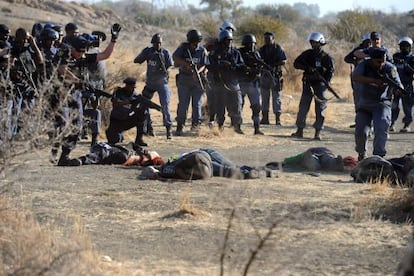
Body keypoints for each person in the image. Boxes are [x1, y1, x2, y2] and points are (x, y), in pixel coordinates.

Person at [53, 23, 122, 166]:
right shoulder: (64, 52)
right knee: (62, 124)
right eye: (79, 51)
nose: (81, 54)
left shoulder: (83, 56)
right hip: (60, 93)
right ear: (73, 48)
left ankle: (64, 157)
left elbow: (105, 55)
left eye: (84, 51)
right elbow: (61, 69)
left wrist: (113, 40)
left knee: (77, 125)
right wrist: (77, 80)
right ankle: (54, 150)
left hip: (75, 94)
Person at [352, 47, 405, 161]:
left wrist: (399, 89)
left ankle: (378, 157)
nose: (382, 64)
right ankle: (362, 155)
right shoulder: (364, 65)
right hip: (364, 104)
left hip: (382, 104)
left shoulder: (390, 68)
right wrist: (374, 81)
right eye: (378, 61)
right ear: (372, 59)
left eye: (383, 61)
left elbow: (398, 83)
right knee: (360, 131)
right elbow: (355, 77)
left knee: (381, 127)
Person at [291, 32, 335, 140]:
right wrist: (307, 68)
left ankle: (318, 132)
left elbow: (330, 71)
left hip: (320, 85)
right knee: (303, 107)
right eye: (312, 42)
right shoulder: (307, 54)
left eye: (315, 43)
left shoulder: (326, 57)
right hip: (308, 83)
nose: (313, 45)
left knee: (320, 109)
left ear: (321, 43)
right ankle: (299, 130)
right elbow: (296, 63)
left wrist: (326, 82)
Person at [134, 33, 174, 139]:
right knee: (144, 104)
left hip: (162, 83)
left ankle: (168, 128)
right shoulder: (148, 51)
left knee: (165, 105)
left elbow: (170, 66)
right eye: (156, 43)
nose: (157, 45)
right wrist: (147, 56)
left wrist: (164, 70)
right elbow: (136, 60)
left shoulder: (165, 53)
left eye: (159, 43)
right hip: (150, 83)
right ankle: (148, 127)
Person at [105, 77, 161, 150]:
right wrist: (129, 102)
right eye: (131, 87)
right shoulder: (118, 92)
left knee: (143, 112)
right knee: (114, 141)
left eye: (134, 87)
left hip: (127, 119)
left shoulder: (135, 95)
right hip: (116, 120)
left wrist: (157, 108)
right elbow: (115, 103)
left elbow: (147, 103)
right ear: (126, 86)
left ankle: (139, 139)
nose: (133, 89)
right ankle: (119, 135)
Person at [207, 29, 245, 134]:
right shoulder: (215, 53)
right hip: (220, 84)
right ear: (222, 41)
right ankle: (220, 126)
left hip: (233, 83)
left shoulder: (235, 53)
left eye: (230, 40)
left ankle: (237, 126)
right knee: (220, 106)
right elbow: (209, 66)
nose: (229, 42)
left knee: (237, 105)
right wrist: (220, 65)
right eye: (227, 40)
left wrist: (232, 65)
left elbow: (242, 66)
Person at [172, 29, 209, 136]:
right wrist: (186, 64)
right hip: (184, 80)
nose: (195, 45)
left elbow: (205, 64)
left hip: (197, 80)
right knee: (183, 104)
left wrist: (197, 71)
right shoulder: (183, 48)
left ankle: (195, 126)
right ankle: (180, 125)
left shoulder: (202, 50)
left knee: (197, 104)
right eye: (194, 42)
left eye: (197, 42)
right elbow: (175, 57)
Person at [258, 31, 287, 125]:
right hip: (265, 75)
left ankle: (277, 119)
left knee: (277, 98)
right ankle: (265, 118)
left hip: (275, 76)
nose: (266, 40)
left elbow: (283, 60)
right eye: (265, 39)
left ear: (273, 39)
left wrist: (274, 65)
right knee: (264, 97)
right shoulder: (262, 49)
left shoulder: (278, 48)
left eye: (268, 39)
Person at [237, 33, 264, 135]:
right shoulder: (239, 53)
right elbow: (238, 65)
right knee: (239, 105)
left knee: (256, 106)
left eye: (253, 44)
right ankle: (237, 126)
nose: (251, 46)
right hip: (241, 82)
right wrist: (246, 69)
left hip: (253, 83)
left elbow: (260, 66)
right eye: (249, 44)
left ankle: (257, 128)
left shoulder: (256, 54)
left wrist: (257, 71)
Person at [344, 33, 372, 128]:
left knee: (370, 99)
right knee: (358, 99)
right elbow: (347, 58)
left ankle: (370, 122)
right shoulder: (358, 50)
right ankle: (359, 120)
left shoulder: (374, 50)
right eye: (366, 42)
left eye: (369, 42)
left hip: (370, 78)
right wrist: (355, 60)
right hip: (358, 78)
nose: (368, 44)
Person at [390, 37, 414, 133]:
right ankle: (391, 123)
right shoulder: (396, 56)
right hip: (395, 85)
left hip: (407, 85)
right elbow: (390, 67)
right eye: (402, 46)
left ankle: (407, 125)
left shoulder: (412, 58)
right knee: (394, 105)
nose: (404, 48)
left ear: (410, 47)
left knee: (407, 106)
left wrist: (407, 67)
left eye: (406, 46)